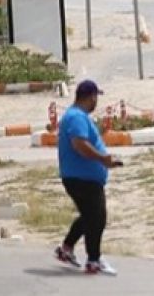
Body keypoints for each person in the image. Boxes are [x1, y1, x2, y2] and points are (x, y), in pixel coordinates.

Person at [54, 80, 121, 275]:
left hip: (80, 176)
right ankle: (94, 260)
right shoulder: (76, 117)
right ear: (91, 97)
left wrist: (106, 160)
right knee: (97, 217)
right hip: (82, 178)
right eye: (96, 97)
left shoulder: (76, 116)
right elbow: (79, 144)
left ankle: (66, 249)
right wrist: (102, 159)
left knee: (90, 216)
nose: (96, 101)